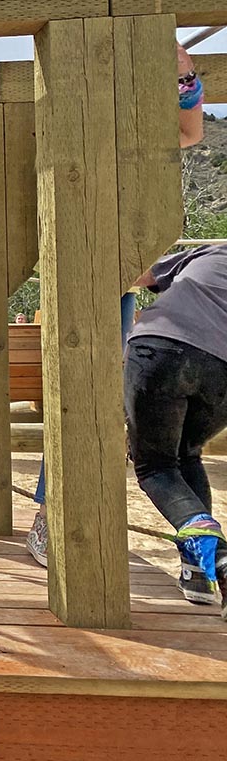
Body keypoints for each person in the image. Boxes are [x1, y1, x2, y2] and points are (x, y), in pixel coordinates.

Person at [26, 43, 205, 568]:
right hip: (74, 272)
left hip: (118, 279)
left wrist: (184, 77)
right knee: (74, 393)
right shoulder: (63, 125)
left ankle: (189, 552)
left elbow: (190, 131)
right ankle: (51, 513)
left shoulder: (136, 129)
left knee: (103, 401)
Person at [126, 244, 227, 616]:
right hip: (223, 372)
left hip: (163, 345)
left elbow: (134, 273)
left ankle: (218, 557)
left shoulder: (212, 252)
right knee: (186, 454)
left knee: (155, 466)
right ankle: (199, 574)